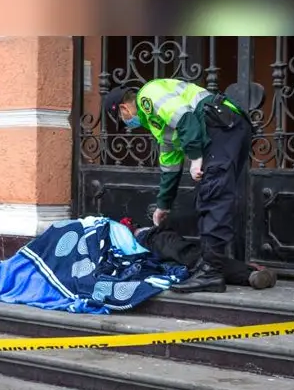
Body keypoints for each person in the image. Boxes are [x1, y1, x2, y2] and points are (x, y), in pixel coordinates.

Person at [102, 79, 253, 293]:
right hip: (224, 125)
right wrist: (163, 205)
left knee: (213, 196)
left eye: (122, 118)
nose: (127, 122)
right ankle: (213, 269)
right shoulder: (156, 121)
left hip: (219, 123)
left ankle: (211, 273)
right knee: (208, 195)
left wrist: (195, 158)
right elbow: (170, 166)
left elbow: (186, 118)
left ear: (124, 108)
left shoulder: (149, 95)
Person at [122, 219, 277, 290]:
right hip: (149, 251)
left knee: (194, 260)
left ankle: (251, 273)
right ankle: (250, 274)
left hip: (151, 239)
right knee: (194, 268)